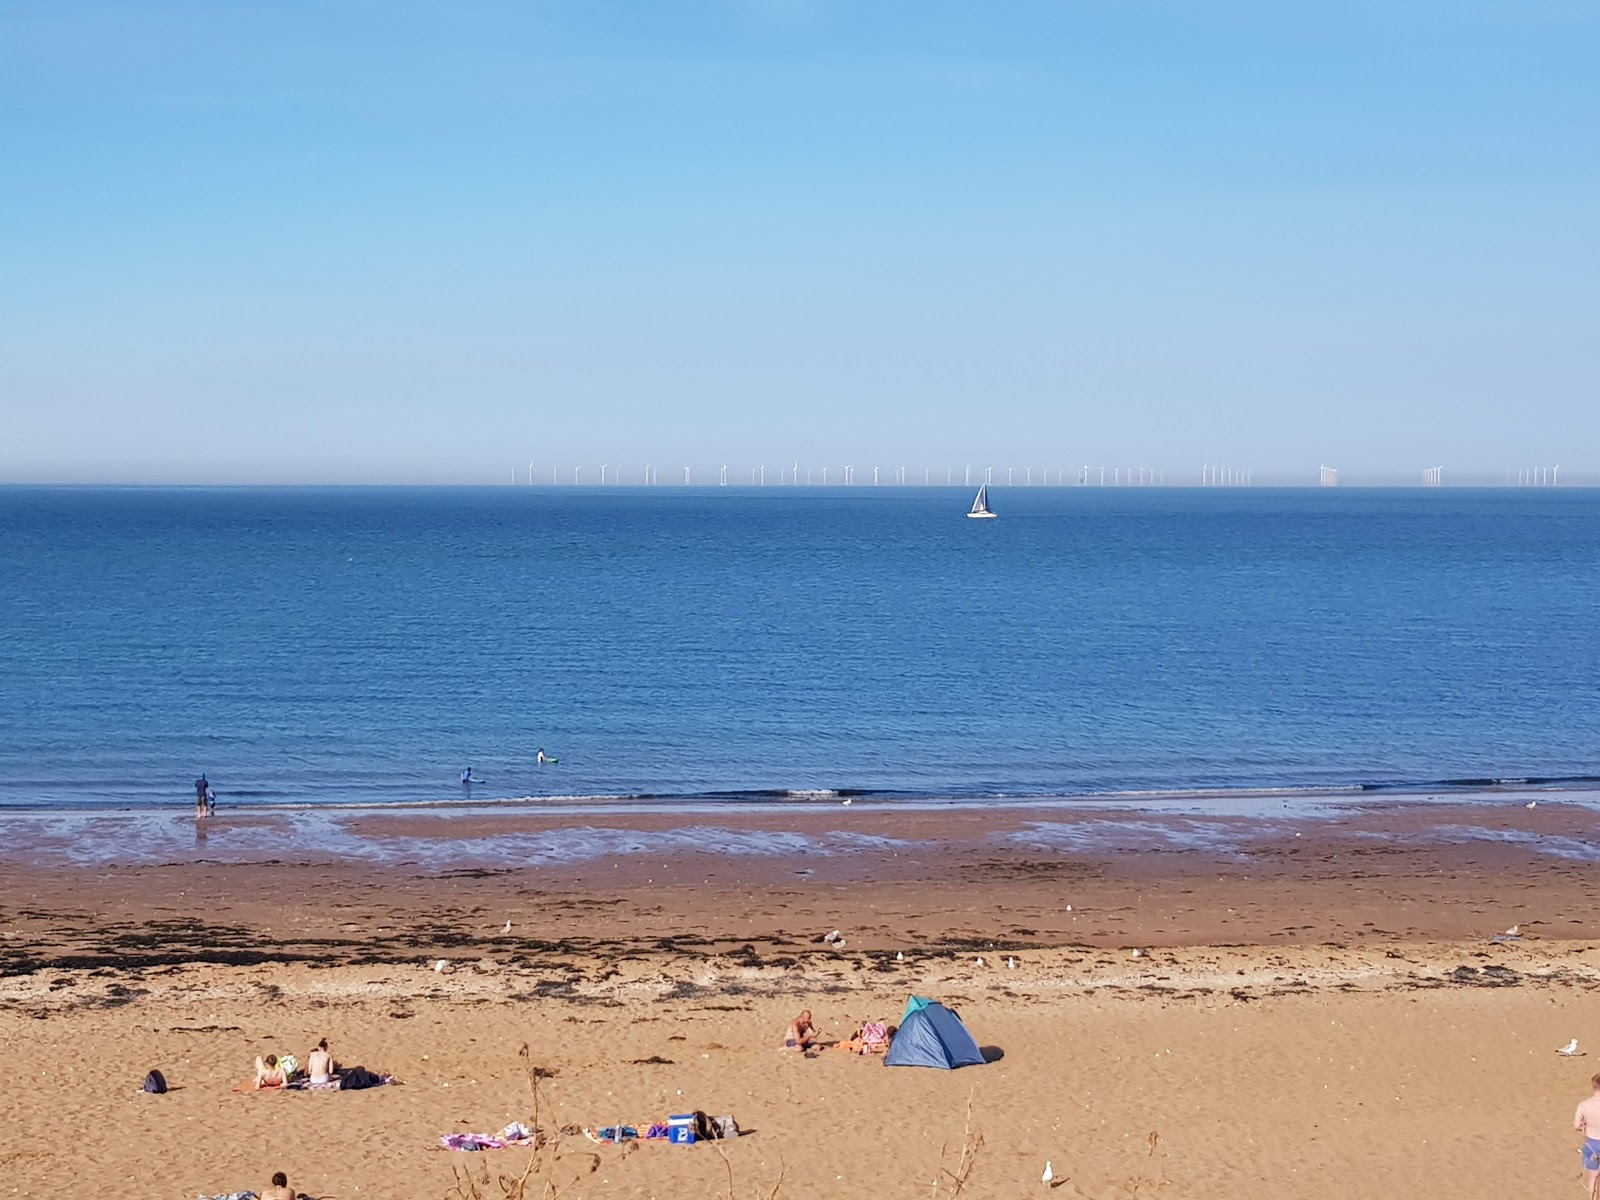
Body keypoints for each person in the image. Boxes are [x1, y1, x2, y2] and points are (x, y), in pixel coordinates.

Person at [1575, 1074, 1600, 1198]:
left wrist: (1584, 1126)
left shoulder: (1584, 1105)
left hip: (1591, 1144)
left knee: (1593, 1177)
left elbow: (1576, 1125)